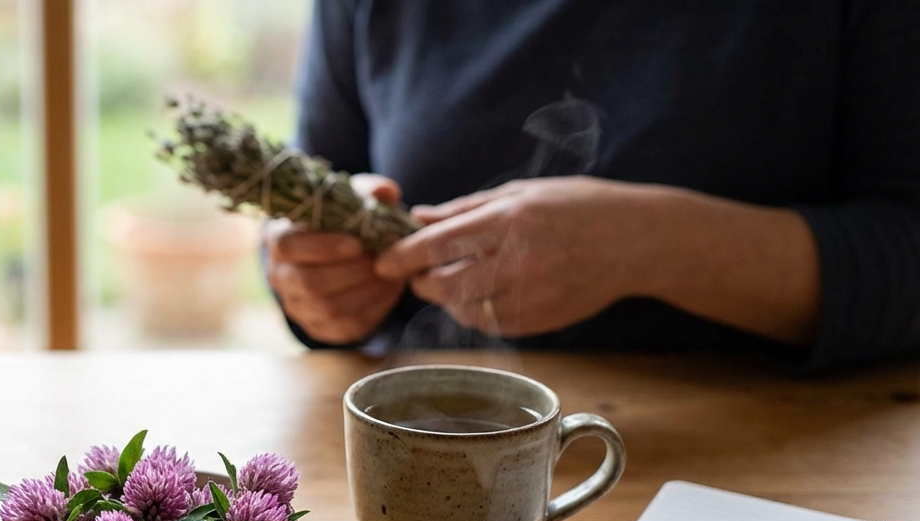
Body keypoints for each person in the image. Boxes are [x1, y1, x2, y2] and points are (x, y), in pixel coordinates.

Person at [266, 1, 920, 372]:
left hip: (777, 472)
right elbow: (315, 198)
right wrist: (313, 279)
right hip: (430, 440)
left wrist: (652, 245)